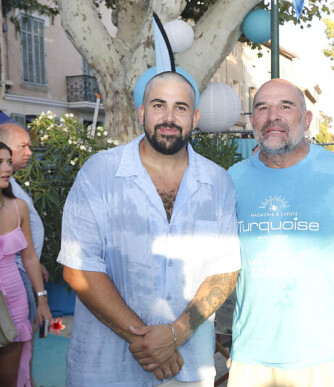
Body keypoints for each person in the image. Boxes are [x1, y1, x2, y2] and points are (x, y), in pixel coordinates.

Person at [57, 71, 241, 386]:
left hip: (187, 370)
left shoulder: (218, 181)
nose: (169, 117)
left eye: (180, 108)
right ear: (142, 113)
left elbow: (224, 271)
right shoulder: (100, 173)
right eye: (159, 105)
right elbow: (79, 268)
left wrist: (176, 333)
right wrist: (151, 344)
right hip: (105, 370)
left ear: (194, 118)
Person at [227, 79, 334, 387]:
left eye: (285, 106)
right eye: (262, 108)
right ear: (253, 121)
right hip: (252, 358)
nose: (272, 116)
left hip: (326, 357)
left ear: (306, 120)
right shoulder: (232, 180)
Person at [0, 141, 52, 387]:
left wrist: (42, 299)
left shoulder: (18, 207)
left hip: (15, 300)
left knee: (10, 378)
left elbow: (29, 256)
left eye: (9, 162)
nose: (7, 168)